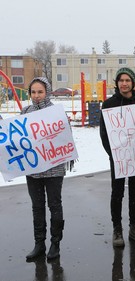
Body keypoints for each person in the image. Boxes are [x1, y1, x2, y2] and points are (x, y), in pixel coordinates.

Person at [100, 67, 135, 247]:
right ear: (117, 83)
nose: (124, 83)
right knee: (117, 193)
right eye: (121, 80)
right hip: (118, 157)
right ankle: (117, 229)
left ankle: (134, 227)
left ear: (133, 83)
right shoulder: (109, 104)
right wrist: (113, 154)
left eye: (128, 80)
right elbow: (104, 134)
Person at [22, 77, 66, 261]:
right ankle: (39, 243)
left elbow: (66, 138)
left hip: (54, 168)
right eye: (33, 92)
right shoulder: (25, 112)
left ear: (46, 92)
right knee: (37, 207)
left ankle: (55, 243)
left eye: (40, 92)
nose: (37, 96)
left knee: (54, 205)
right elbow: (19, 139)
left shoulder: (56, 112)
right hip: (33, 169)